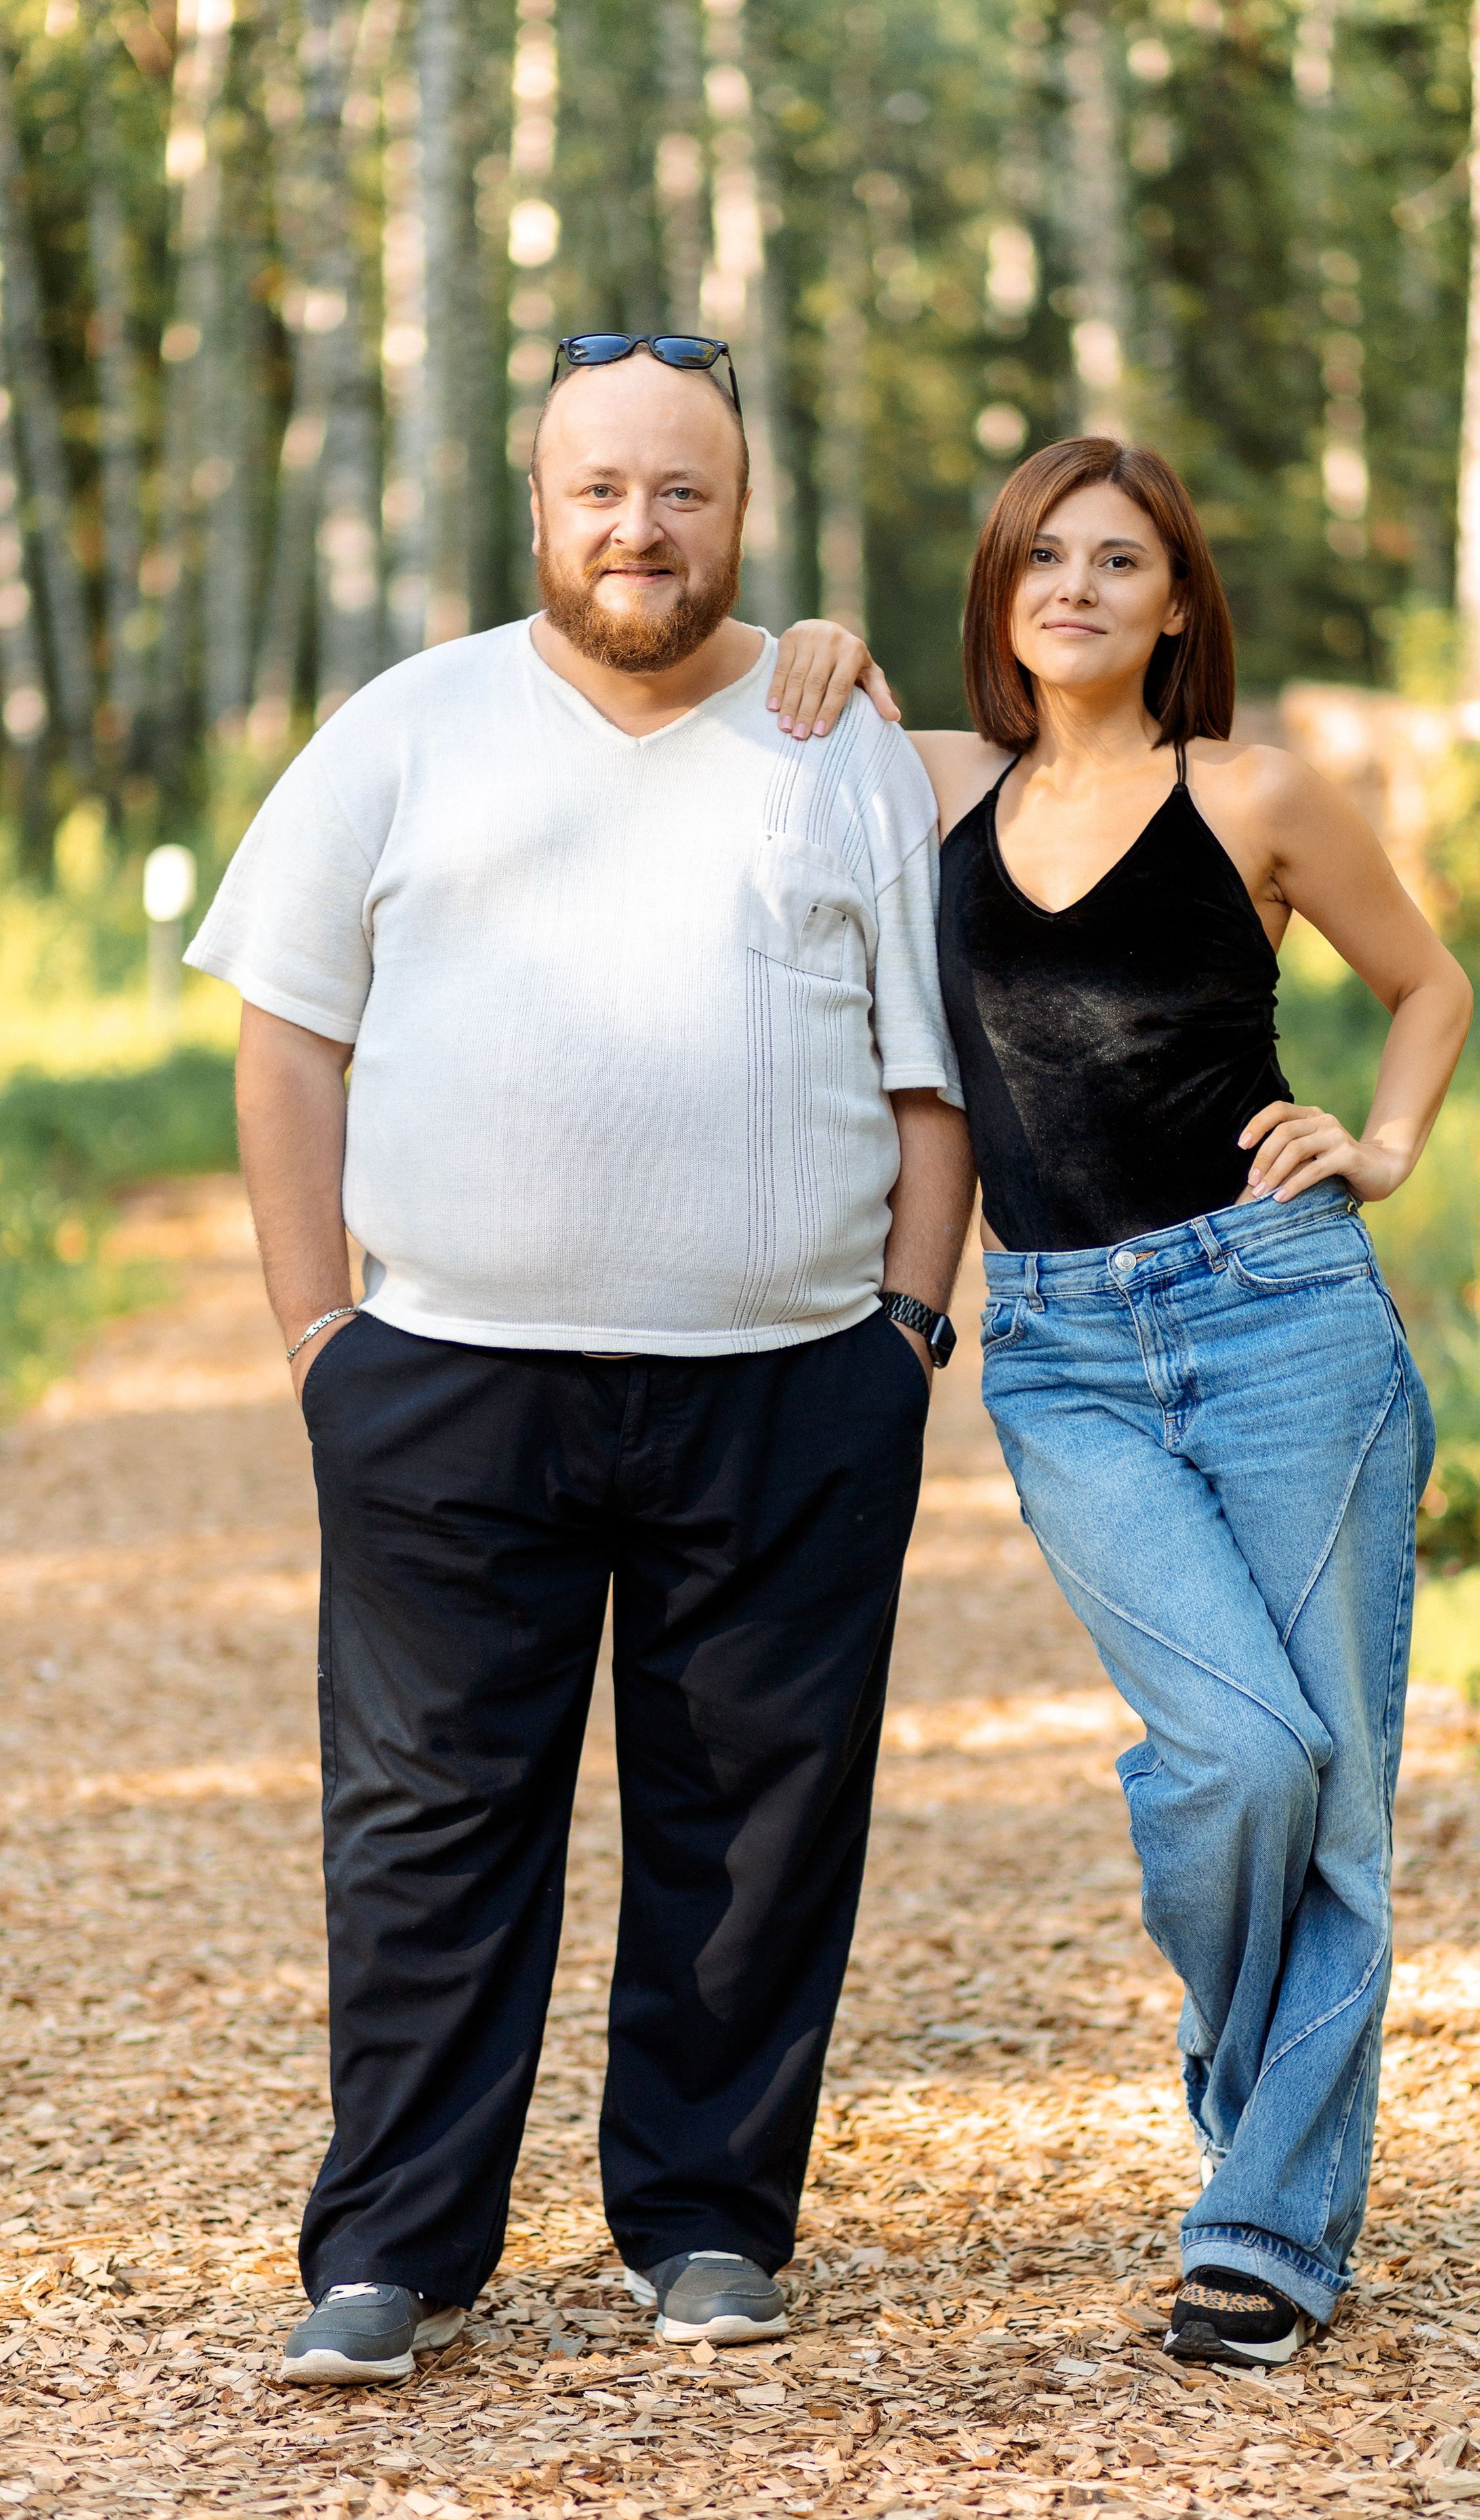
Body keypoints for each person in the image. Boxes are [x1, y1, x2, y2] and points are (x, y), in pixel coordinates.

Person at [185, 332, 974, 2384]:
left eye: (684, 491)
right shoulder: (406, 726)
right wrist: (318, 1337)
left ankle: (708, 2222)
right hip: (452, 1381)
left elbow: (932, 1076)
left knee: (759, 1831)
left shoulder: (837, 743)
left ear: (742, 514)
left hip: (791, 1384)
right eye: (603, 489)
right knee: (426, 1825)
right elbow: (288, 1036)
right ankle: (392, 2247)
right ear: (537, 506)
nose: (643, 527)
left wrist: (905, 1332)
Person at [800, 434, 1471, 2369]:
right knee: (1239, 1761)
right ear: (1000, 596)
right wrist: (819, 638)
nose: (1076, 589)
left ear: (1178, 601)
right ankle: (1261, 2100)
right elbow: (776, 685)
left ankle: (1262, 2223)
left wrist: (1384, 1147)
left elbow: (1428, 988)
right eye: (1042, 559)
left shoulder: (1257, 793)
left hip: (1284, 1320)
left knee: (1333, 1794)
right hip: (1067, 1352)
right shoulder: (941, 785)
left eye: (1118, 560)